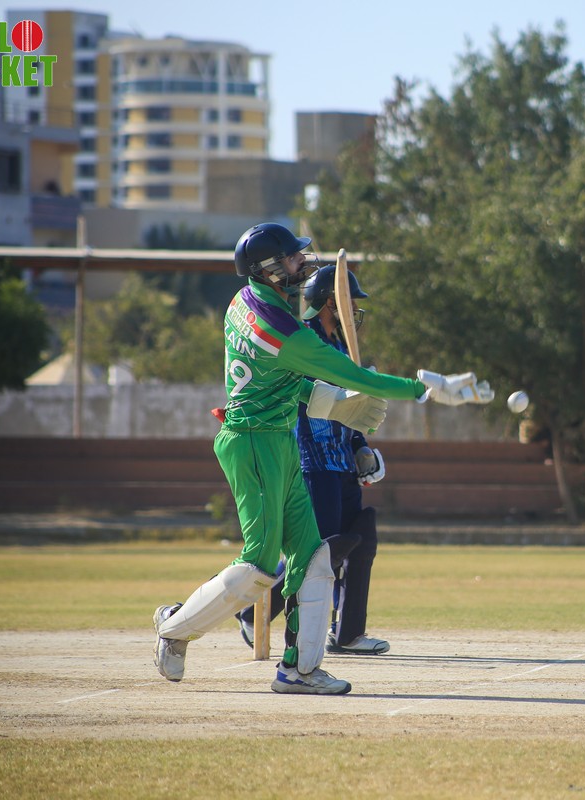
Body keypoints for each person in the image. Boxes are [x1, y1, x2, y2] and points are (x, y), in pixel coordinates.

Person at [153, 222, 493, 695]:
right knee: (259, 565)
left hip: (278, 438)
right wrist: (426, 388)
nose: (303, 262)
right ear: (270, 269)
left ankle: (299, 670)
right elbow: (353, 375)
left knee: (314, 558)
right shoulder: (285, 331)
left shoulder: (245, 301)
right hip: (252, 443)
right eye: (293, 257)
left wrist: (336, 405)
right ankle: (173, 627)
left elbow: (282, 382)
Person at [236, 264, 391, 655]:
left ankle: (348, 632)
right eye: (348, 302)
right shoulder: (303, 341)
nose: (354, 309)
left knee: (359, 538)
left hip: (341, 463)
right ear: (328, 303)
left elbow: (349, 410)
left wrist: (360, 446)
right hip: (312, 462)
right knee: (318, 550)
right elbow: (304, 400)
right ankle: (254, 612)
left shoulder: (341, 348)